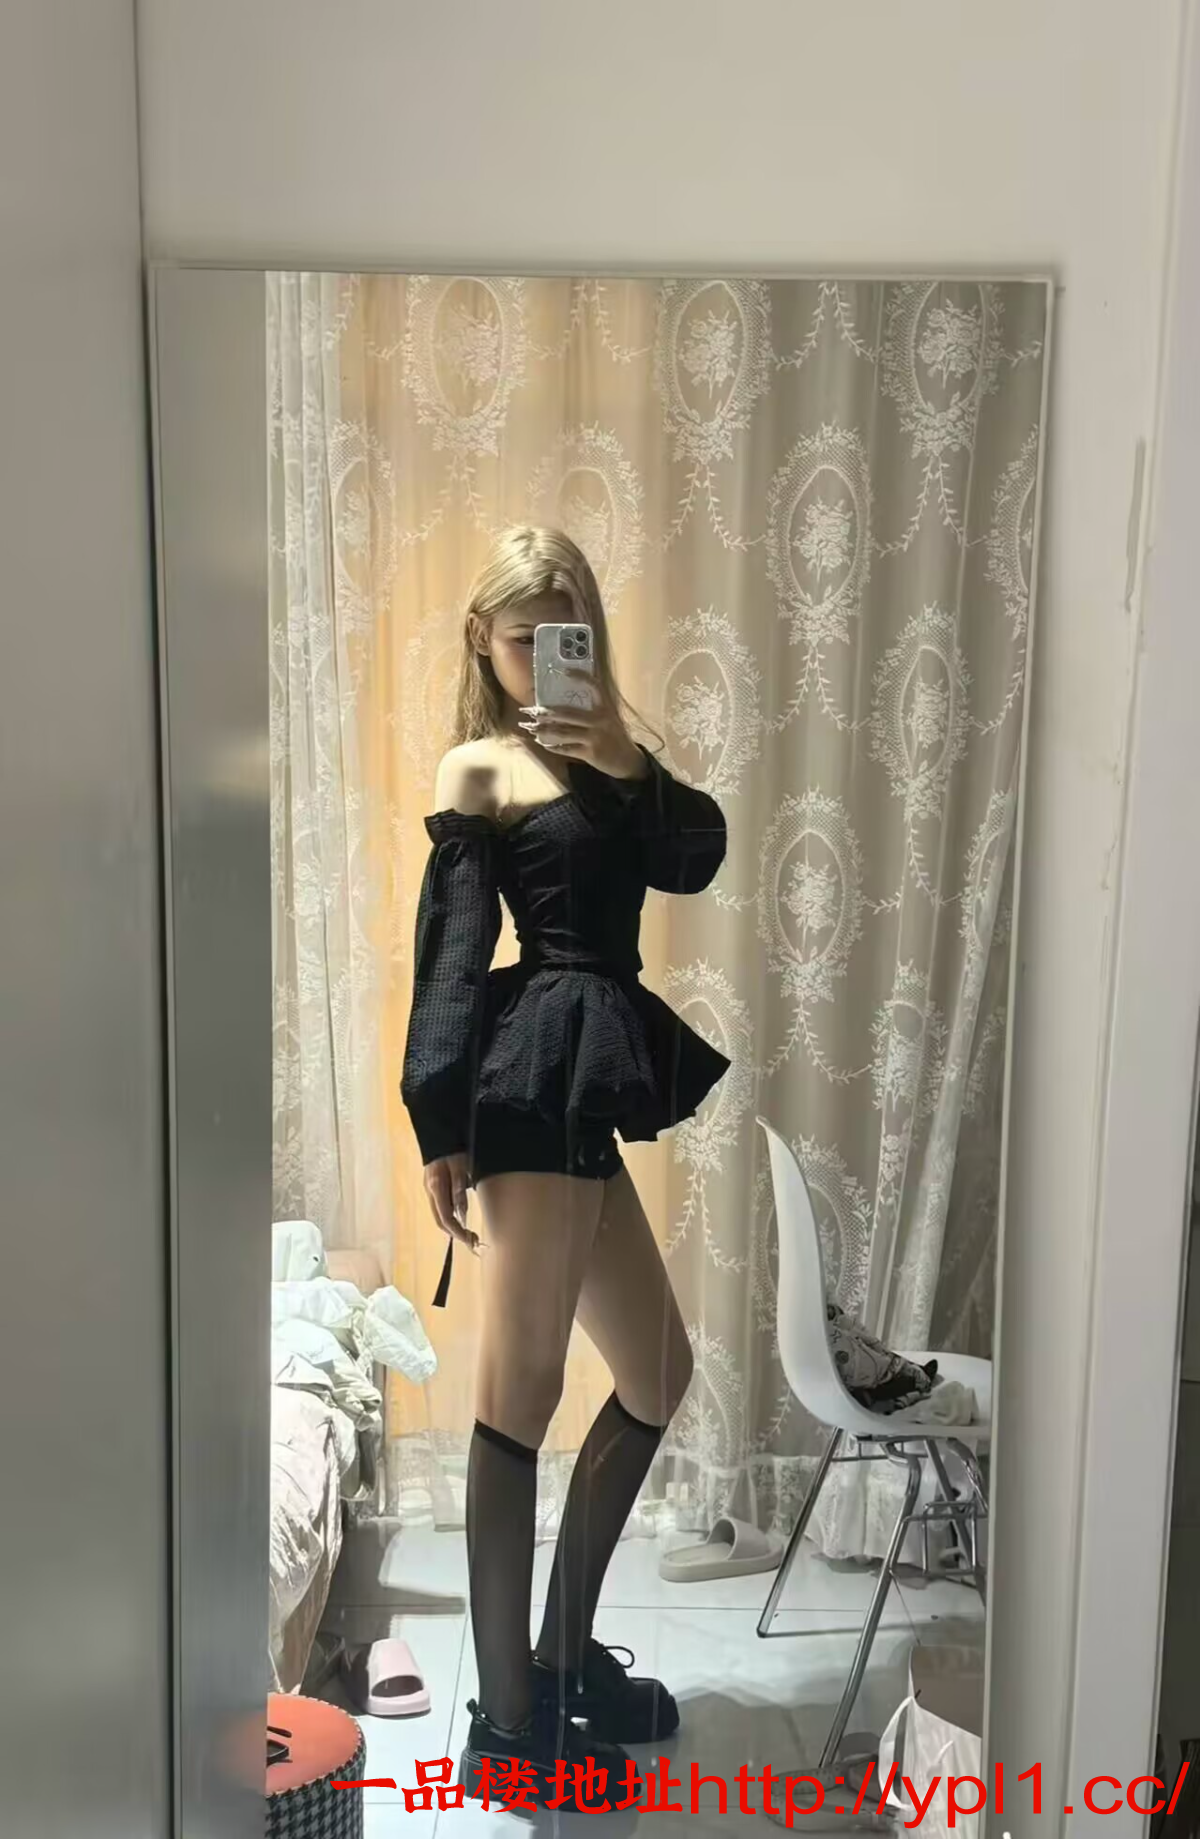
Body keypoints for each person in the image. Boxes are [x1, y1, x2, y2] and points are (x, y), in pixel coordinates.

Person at [400, 526, 730, 1805]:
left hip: (593, 1073)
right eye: (522, 636)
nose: (542, 657)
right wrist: (439, 1122)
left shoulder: (615, 760)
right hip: (530, 1079)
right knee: (523, 1389)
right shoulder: (478, 766)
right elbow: (449, 952)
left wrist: (627, 762)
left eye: (564, 631)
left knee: (658, 1372)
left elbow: (695, 856)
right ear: (481, 640)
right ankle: (507, 1724)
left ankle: (563, 1658)